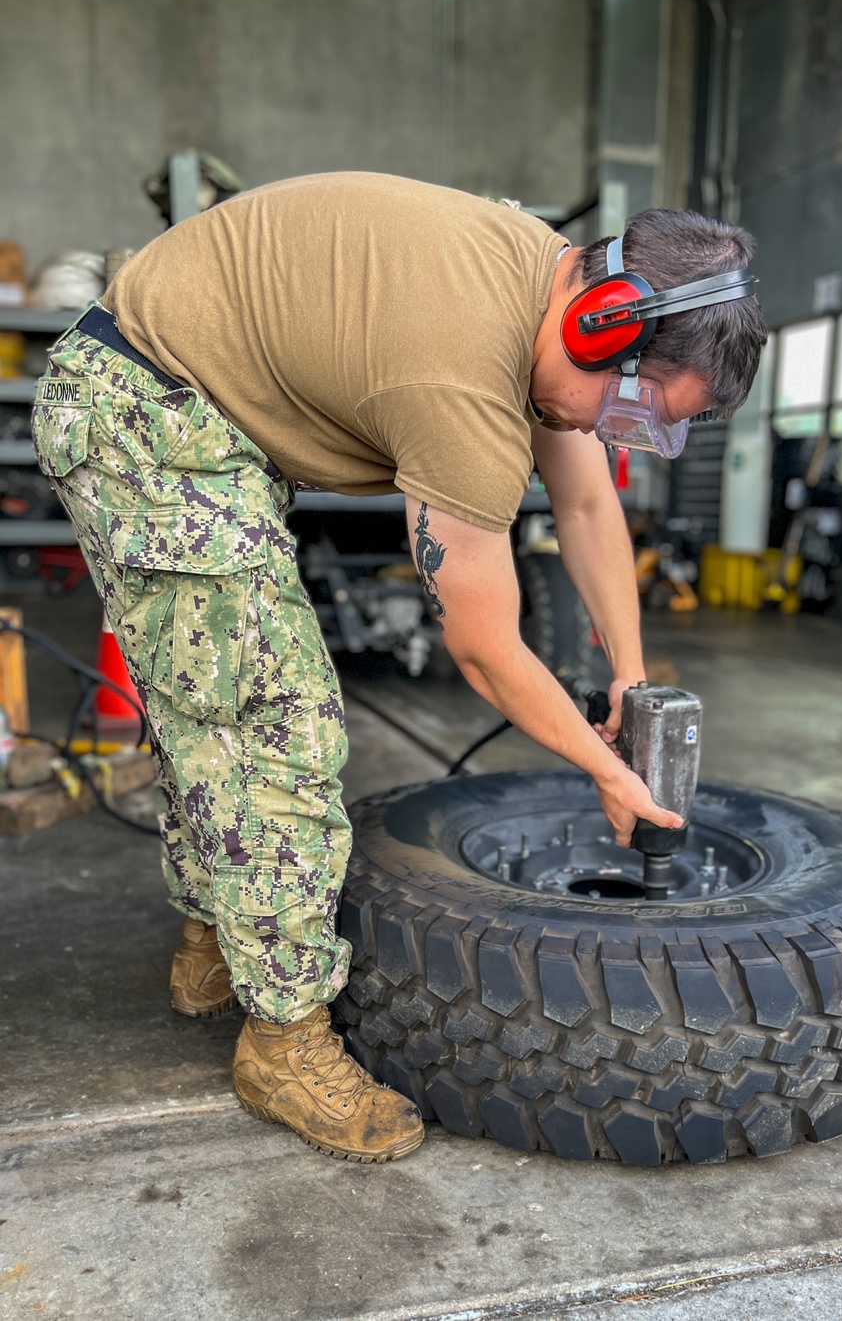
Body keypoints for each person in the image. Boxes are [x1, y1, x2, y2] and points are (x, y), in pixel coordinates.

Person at [32, 172, 766, 1164]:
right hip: (145, 401)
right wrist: (604, 771)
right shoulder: (460, 376)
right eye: (628, 403)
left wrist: (628, 679)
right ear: (601, 321)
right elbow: (481, 642)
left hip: (205, 391)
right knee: (268, 714)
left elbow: (589, 509)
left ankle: (218, 932)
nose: (609, 427)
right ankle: (282, 1039)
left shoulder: (547, 292)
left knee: (200, 679)